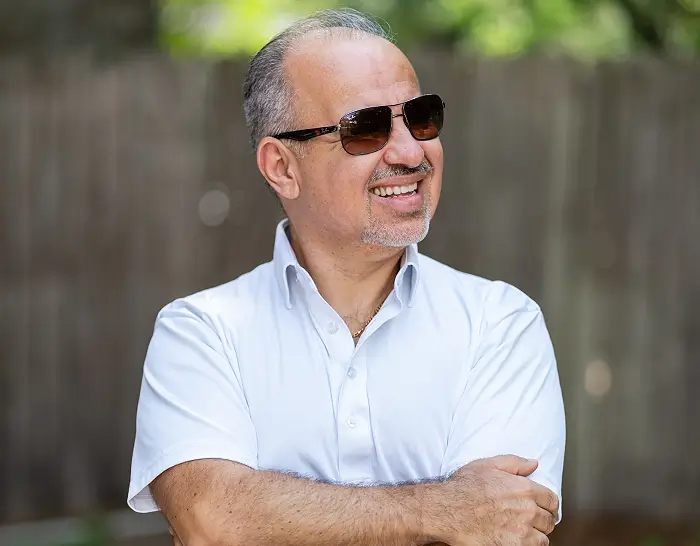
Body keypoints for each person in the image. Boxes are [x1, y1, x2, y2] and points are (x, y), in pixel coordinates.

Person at [127, 8, 565, 546]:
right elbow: (213, 522)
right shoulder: (200, 332)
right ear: (282, 167)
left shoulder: (501, 324)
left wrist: (273, 515)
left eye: (421, 117)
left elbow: (504, 528)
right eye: (367, 128)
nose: (410, 152)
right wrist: (443, 510)